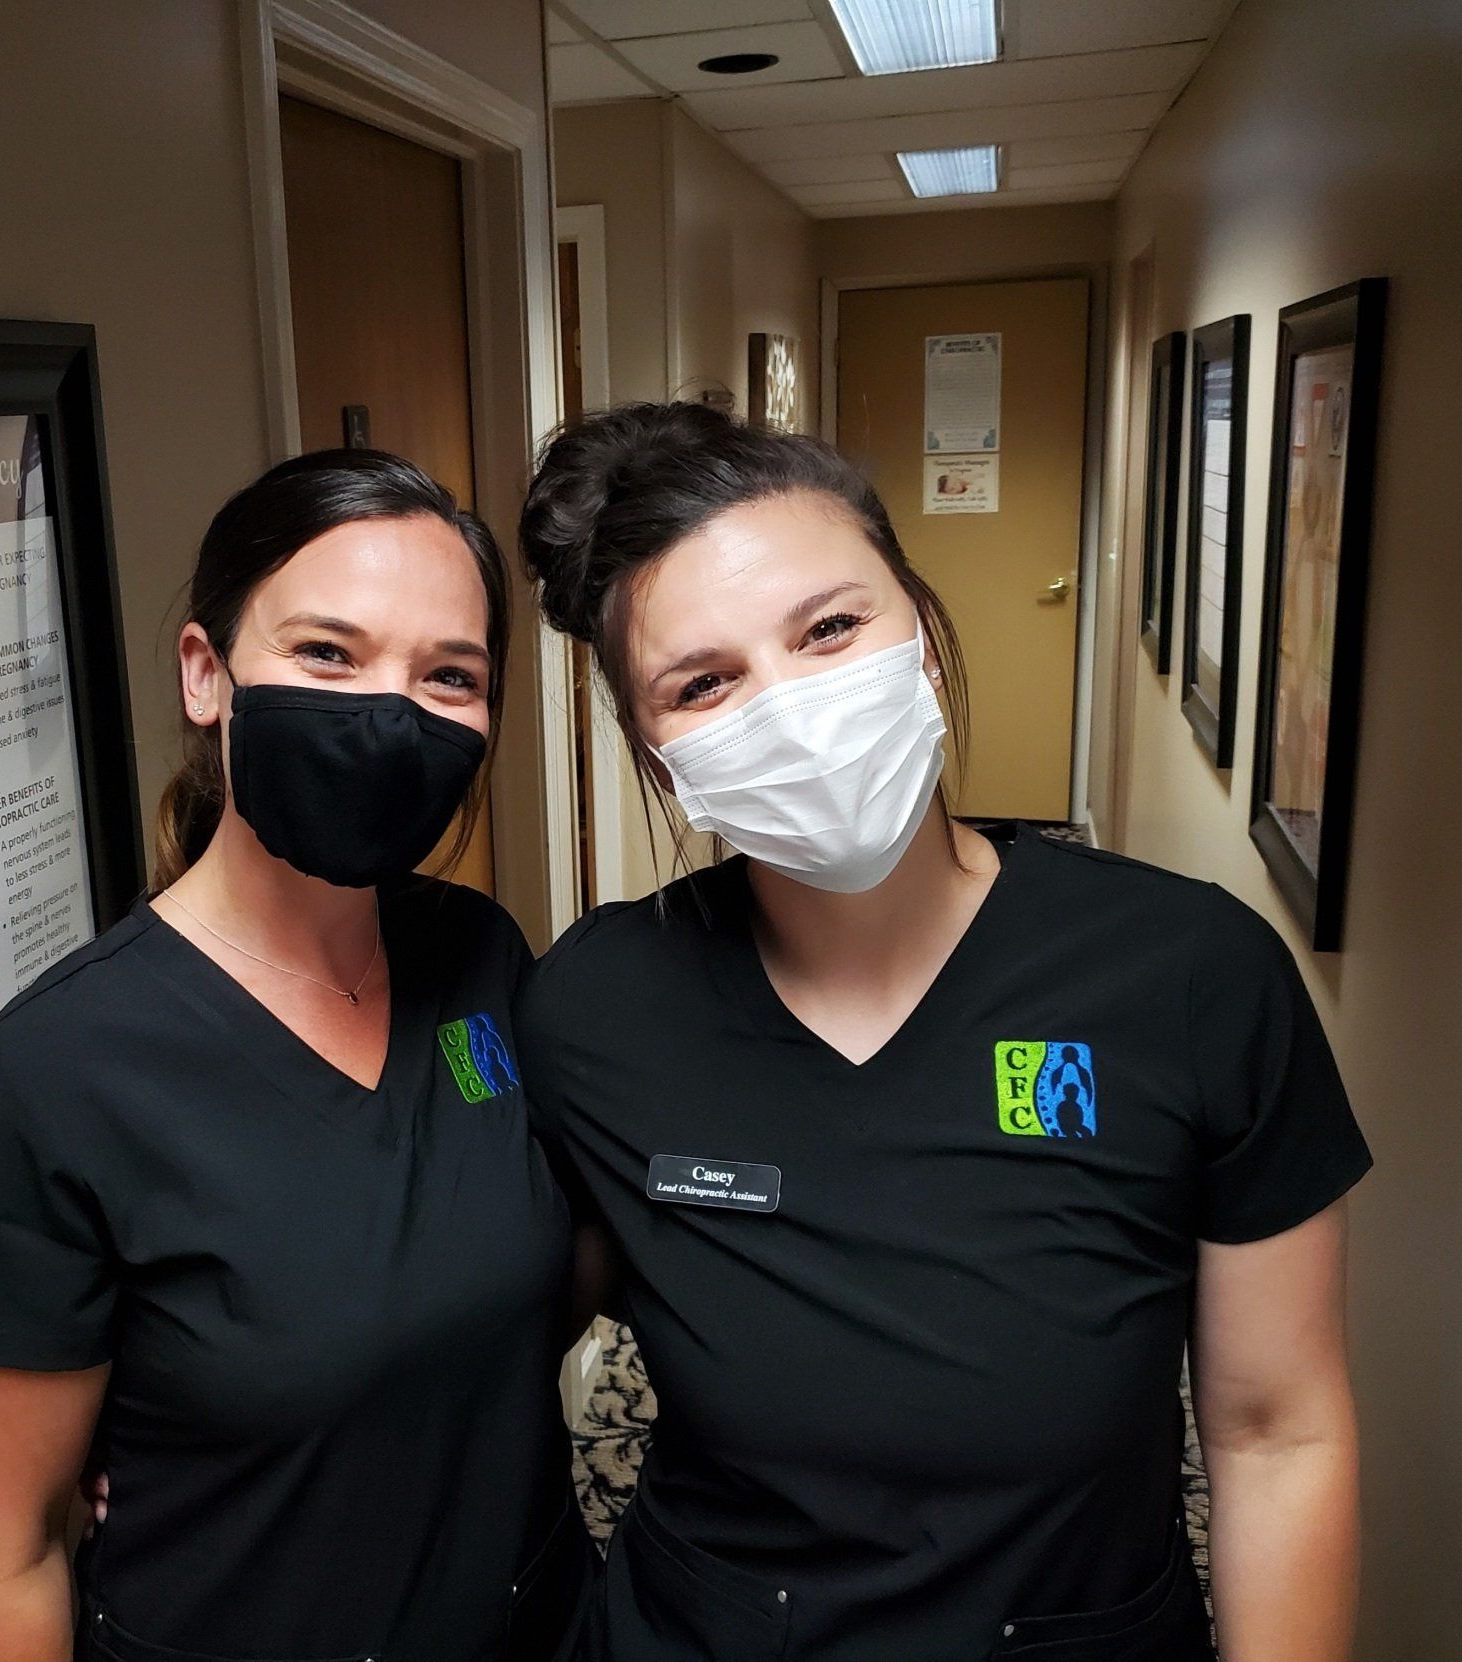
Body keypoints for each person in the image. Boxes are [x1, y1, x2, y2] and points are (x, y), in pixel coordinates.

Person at [515, 403, 1370, 1662]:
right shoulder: (597, 1007)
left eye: (831, 628)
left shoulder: (1187, 976)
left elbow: (1275, 1430)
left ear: (919, 622)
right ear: (656, 751)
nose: (793, 705)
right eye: (704, 682)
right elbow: (474, 1311)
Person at [0, 450, 592, 1662]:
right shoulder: (50, 1079)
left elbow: (532, 1257)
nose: (390, 712)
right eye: (328, 653)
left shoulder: (480, 959)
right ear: (206, 673)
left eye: (450, 676)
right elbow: (2, 1560)